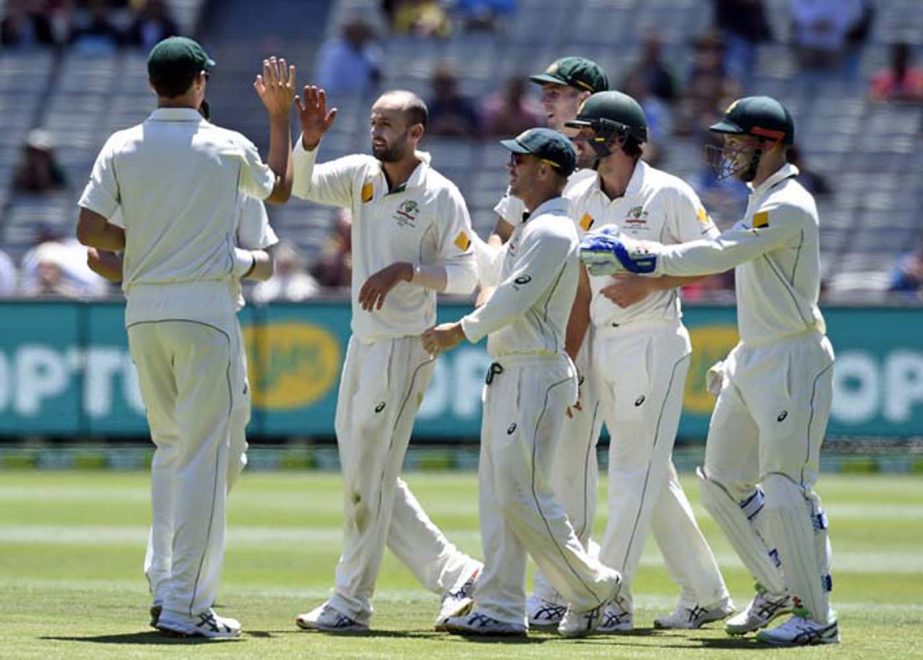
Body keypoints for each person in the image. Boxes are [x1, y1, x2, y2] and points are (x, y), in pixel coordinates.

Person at [580, 95, 839, 646]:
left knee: (788, 487)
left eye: (738, 142)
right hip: (757, 353)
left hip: (793, 358)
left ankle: (816, 616)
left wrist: (637, 257)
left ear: (769, 143)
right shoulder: (761, 197)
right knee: (720, 480)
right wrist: (742, 354)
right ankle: (775, 588)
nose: (727, 151)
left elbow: (718, 255)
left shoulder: (788, 202)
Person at [76, 37, 295, 638]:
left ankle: (166, 579)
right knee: (203, 456)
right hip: (204, 313)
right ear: (199, 82)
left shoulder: (121, 144)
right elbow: (277, 189)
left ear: (153, 84)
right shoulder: (226, 144)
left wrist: (148, 244)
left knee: (176, 451)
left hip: (144, 314)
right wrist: (280, 117)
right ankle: (183, 605)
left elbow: (89, 230)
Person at [289, 86, 482, 633]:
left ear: (416, 134)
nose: (377, 132)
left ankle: (351, 602)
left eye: (388, 124)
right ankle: (461, 575)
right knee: (367, 473)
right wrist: (308, 141)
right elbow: (300, 184)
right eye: (374, 121)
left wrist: (406, 272)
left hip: (405, 346)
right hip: (362, 341)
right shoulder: (361, 176)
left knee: (367, 478)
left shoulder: (441, 194)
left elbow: (467, 274)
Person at [423, 128, 622, 638]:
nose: (511, 166)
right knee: (498, 495)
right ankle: (502, 605)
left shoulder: (554, 231)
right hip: (511, 370)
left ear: (546, 171)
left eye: (520, 160)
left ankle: (593, 586)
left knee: (523, 494)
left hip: (535, 371)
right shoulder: (533, 227)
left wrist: (459, 331)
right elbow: (493, 265)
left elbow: (513, 296)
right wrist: (461, 229)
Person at [562, 91, 733, 632]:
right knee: (651, 475)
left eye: (590, 133)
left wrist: (652, 282)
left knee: (632, 472)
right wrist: (572, 362)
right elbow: (579, 289)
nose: (580, 140)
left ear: (617, 139)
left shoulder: (668, 193)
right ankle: (706, 594)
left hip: (653, 340)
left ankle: (608, 597)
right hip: (602, 345)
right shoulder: (579, 194)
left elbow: (714, 255)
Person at [478, 55, 609, 630]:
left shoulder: (582, 183)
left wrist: (571, 357)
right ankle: (504, 602)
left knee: (557, 481)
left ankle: (582, 588)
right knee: (515, 487)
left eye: (557, 92)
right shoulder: (539, 186)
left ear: (584, 97)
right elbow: (496, 244)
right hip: (525, 351)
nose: (547, 101)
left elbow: (580, 290)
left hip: (564, 349)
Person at [315, 16, 383, 96]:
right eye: (355, 30)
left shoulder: (372, 51)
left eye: (362, 31)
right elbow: (327, 84)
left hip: (365, 101)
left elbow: (377, 82)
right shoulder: (332, 51)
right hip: (338, 101)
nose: (359, 35)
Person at [251, 241, 320, 302]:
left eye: (287, 264)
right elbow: (259, 299)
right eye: (282, 264)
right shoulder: (266, 284)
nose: (284, 268)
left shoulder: (306, 283)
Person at [13, 129, 67, 194]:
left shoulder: (57, 172)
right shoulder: (22, 171)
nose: (38, 156)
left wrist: (43, 175)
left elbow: (60, 193)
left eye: (42, 153)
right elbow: (18, 190)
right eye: (34, 152)